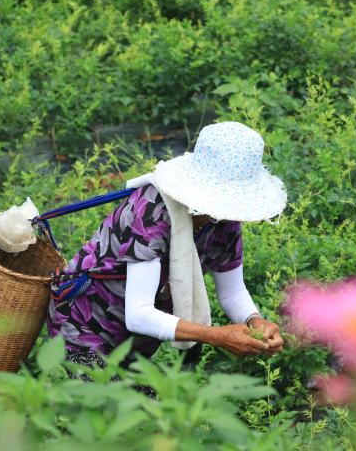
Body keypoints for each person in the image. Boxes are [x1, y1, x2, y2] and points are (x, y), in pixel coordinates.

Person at [46, 121, 287, 372]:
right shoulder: (152, 213)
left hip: (134, 343)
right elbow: (139, 314)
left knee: (143, 406)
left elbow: (232, 293)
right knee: (119, 407)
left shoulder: (223, 221)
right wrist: (218, 336)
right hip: (83, 327)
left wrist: (255, 321)